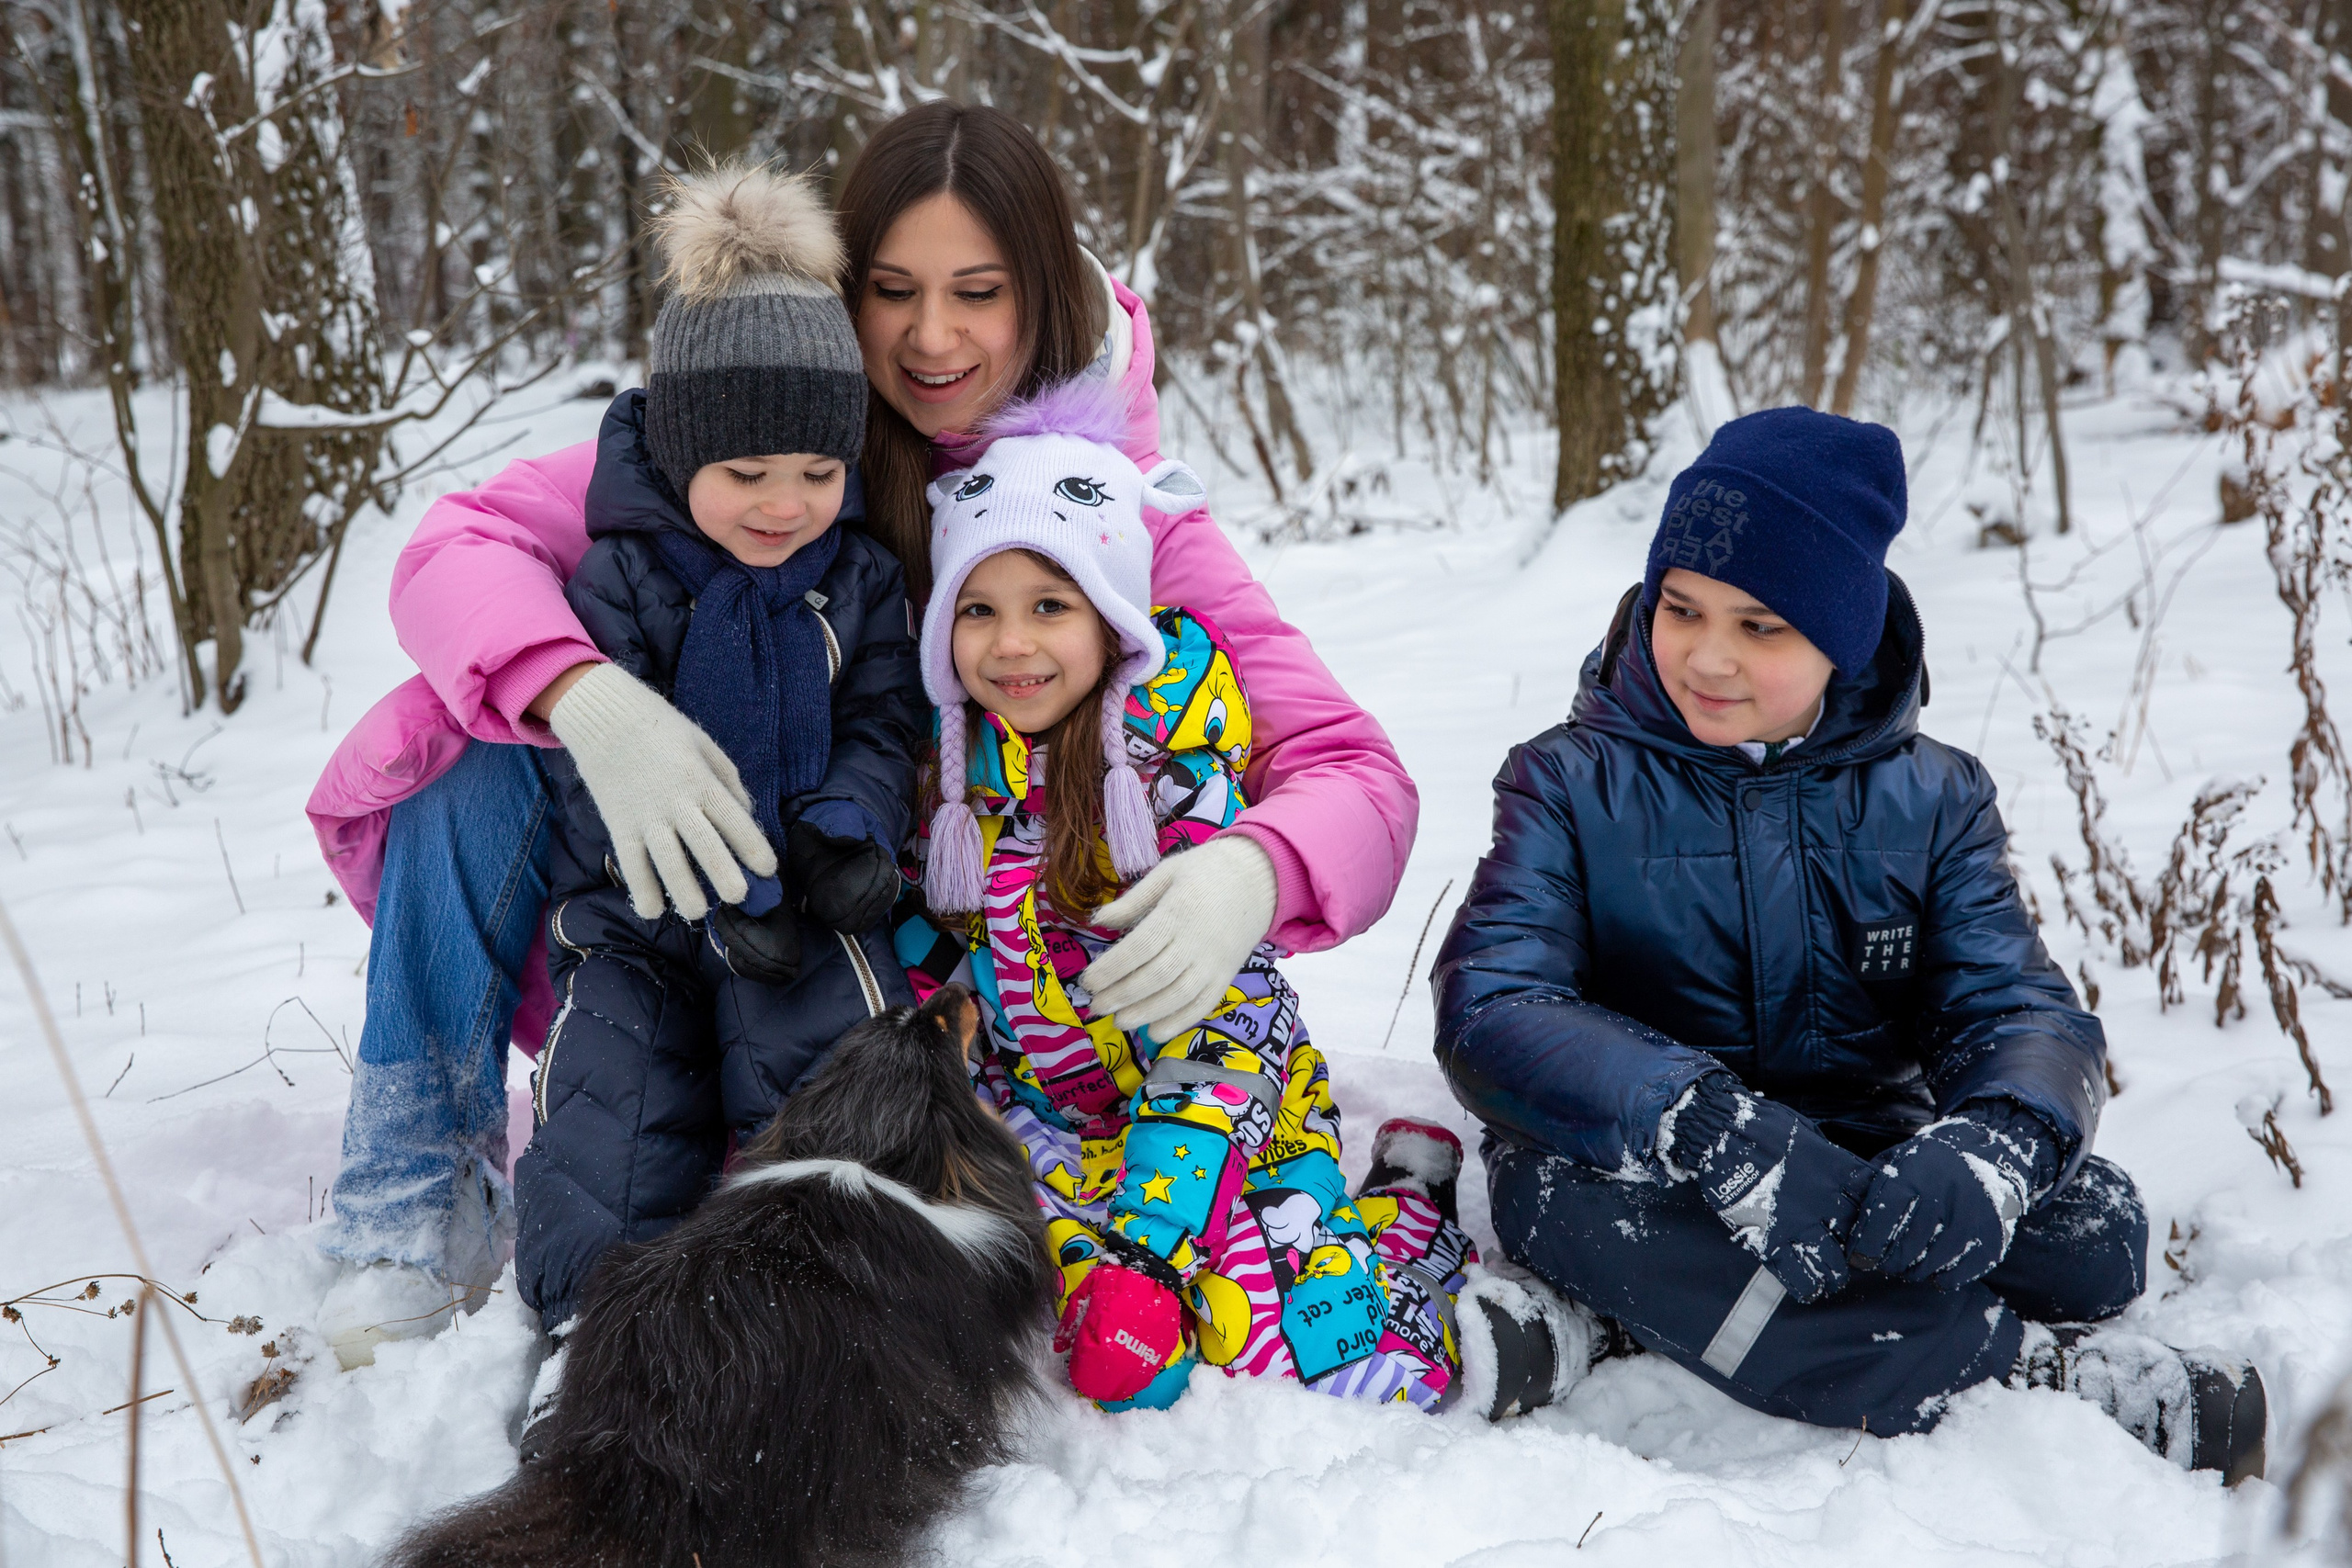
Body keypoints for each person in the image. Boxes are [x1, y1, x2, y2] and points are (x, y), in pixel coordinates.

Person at [304, 102, 1416, 1359]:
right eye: (893, 291)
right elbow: (457, 547)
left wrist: (1255, 866)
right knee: (466, 746)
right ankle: (410, 1191)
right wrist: (588, 698)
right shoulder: (772, 427)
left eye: (978, 293)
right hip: (682, 892)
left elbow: (1357, 775)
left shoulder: (1111, 514)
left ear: (1041, 296)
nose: (932, 338)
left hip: (915, 958)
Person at [1431, 407, 2268, 1480]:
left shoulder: (1934, 796)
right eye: (1680, 610)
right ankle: (2020, 1381)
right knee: (1556, 1207)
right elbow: (1496, 1006)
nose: (1708, 656)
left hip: (1863, 1155)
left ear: (1843, 635)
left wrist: (1996, 1144)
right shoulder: (1568, 779)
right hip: (1642, 1157)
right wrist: (1700, 1119)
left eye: (1761, 627)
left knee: (2100, 1233)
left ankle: (1627, 1321)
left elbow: (2016, 1009)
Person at [889, 377, 1558, 1414]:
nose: (1010, 645)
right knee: (1013, 1307)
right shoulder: (952, 776)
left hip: (1209, 1111)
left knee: (1323, 1354)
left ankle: (1410, 1222)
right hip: (1048, 1118)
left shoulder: (1166, 779)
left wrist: (1153, 1255)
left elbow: (1229, 1030)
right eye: (977, 610)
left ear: (1111, 619)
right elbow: (943, 950)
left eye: (1049, 607)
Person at [510, 164, 926, 1337]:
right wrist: (712, 882)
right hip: (636, 920)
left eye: (817, 472)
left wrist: (852, 828)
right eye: (745, 474)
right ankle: (592, 1349)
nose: (784, 503)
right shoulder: (622, 580)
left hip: (804, 914)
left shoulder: (857, 577)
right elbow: (586, 779)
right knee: (615, 1117)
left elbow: (886, 720)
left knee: (844, 1095)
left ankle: (840, 1330)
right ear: (685, 452)